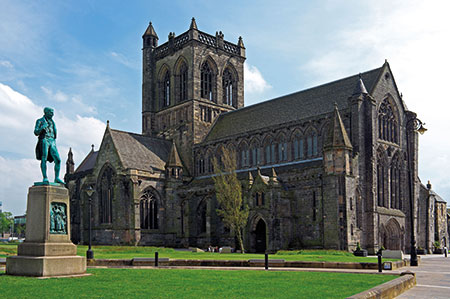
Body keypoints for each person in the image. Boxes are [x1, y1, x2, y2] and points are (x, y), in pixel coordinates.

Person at [34, 107, 64, 184]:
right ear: (46, 112)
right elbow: (36, 132)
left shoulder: (53, 122)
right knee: (44, 158)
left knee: (58, 160)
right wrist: (42, 128)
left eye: (53, 112)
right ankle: (45, 177)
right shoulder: (40, 121)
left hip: (52, 140)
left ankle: (56, 178)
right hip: (44, 139)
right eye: (51, 112)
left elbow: (54, 133)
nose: (52, 114)